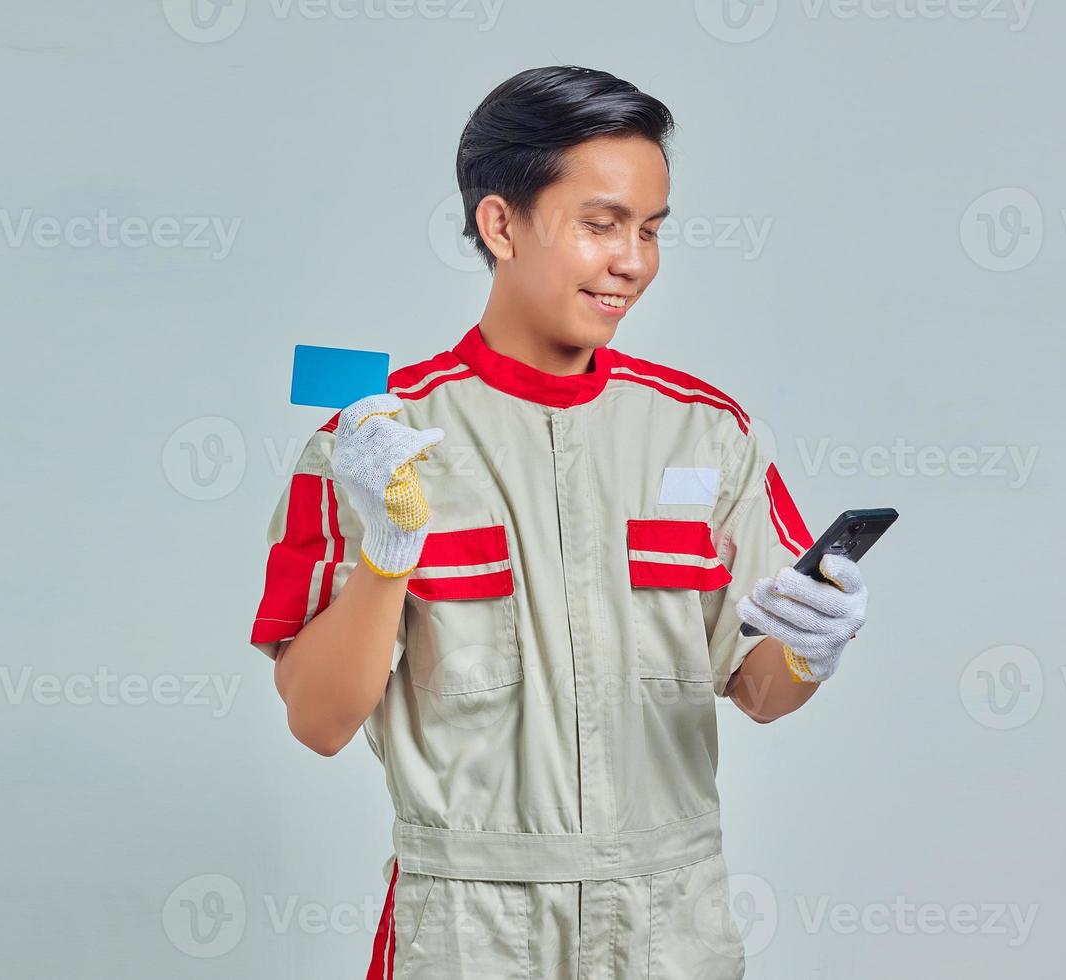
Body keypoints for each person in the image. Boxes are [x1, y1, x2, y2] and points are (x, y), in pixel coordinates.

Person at [248, 65, 871, 980]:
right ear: (500, 224)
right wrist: (387, 555)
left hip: (672, 922)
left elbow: (761, 692)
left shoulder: (708, 430)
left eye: (651, 231)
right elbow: (319, 720)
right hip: (470, 927)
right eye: (600, 224)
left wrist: (812, 649)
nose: (633, 262)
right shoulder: (378, 440)